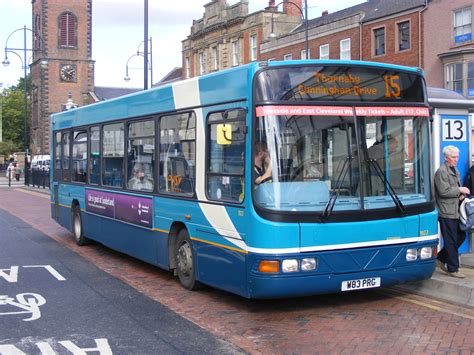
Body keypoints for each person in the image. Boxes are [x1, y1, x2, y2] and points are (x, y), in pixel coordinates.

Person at [434, 145, 469, 278]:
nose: (456, 159)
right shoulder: (442, 172)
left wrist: (459, 195)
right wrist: (459, 190)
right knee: (451, 240)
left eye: (457, 157)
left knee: (460, 236)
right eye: (454, 157)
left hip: (454, 210)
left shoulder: (454, 170)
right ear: (446, 158)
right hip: (446, 211)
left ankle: (441, 258)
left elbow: (452, 189)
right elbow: (443, 191)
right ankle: (453, 269)